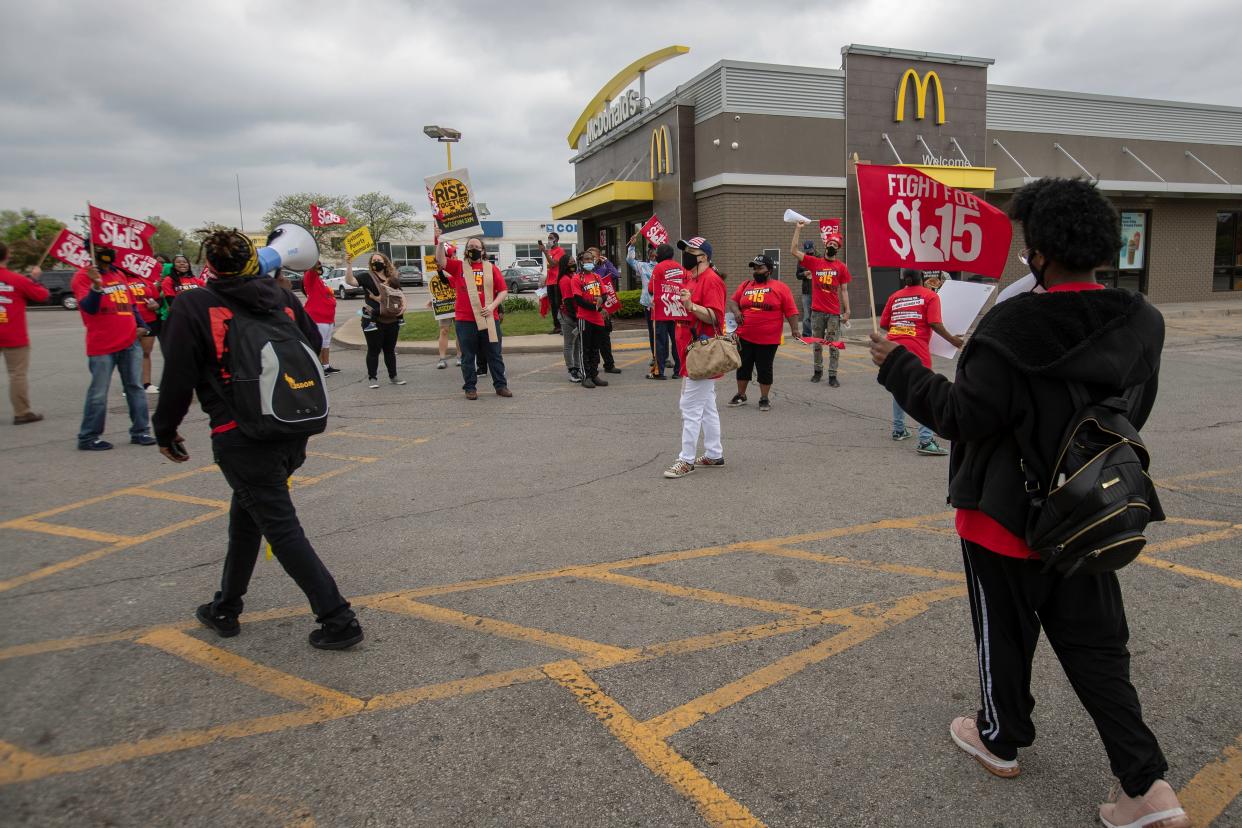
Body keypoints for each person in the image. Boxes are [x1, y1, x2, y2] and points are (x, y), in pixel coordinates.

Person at [869, 178, 1188, 828]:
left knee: (1005, 637)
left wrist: (898, 367)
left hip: (1004, 519)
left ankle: (1000, 736)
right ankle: (1147, 786)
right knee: (1100, 651)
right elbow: (1130, 412)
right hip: (1091, 510)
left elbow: (962, 415)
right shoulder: (1140, 321)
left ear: (1039, 250)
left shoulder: (1012, 327)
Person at [152, 228, 363, 651]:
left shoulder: (195, 304)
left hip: (241, 437)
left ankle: (338, 619)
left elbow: (178, 377)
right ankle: (225, 607)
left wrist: (165, 430)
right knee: (247, 519)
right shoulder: (282, 299)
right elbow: (308, 347)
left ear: (207, 266)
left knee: (280, 528)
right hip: (290, 429)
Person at [71, 246, 155, 450]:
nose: (106, 253)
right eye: (99, 247)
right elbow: (88, 307)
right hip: (102, 345)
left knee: (135, 387)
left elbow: (131, 304)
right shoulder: (83, 276)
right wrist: (96, 286)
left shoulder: (118, 274)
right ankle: (89, 436)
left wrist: (142, 324)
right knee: (99, 392)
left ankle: (141, 431)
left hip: (129, 341)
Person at [879, 268, 963, 456]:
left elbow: (884, 324)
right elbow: (934, 323)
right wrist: (953, 341)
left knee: (899, 386)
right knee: (926, 392)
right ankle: (925, 441)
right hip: (917, 349)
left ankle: (899, 430)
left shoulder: (894, 296)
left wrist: (902, 325)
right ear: (922, 278)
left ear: (904, 279)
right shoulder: (930, 296)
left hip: (894, 348)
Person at [663, 237, 726, 479]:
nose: (687, 254)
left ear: (705, 256)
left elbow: (715, 318)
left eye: (692, 251)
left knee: (689, 407)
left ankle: (686, 459)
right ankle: (713, 452)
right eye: (686, 250)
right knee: (707, 406)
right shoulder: (690, 277)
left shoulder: (712, 280)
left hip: (702, 351)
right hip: (689, 349)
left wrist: (692, 307)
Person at [435, 237, 512, 400]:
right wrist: (440, 241)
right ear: (466, 250)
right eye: (470, 246)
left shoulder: (491, 268)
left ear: (483, 250)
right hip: (465, 320)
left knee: (494, 354)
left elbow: (503, 291)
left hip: (489, 318)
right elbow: (440, 261)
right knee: (468, 356)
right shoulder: (458, 267)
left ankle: (501, 385)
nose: (474, 249)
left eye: (477, 246)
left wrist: (492, 307)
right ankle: (470, 388)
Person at [727, 255, 801, 412]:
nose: (756, 271)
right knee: (743, 366)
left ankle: (764, 397)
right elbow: (733, 301)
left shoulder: (780, 287)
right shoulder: (746, 285)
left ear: (769, 270)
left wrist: (795, 329)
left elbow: (791, 310)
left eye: (760, 268)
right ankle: (741, 395)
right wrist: (736, 311)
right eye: (754, 268)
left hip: (768, 339)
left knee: (764, 368)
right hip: (745, 335)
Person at [791, 222, 851, 386]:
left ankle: (832, 375)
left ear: (837, 248)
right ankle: (817, 371)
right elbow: (794, 251)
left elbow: (844, 290)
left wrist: (847, 311)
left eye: (835, 244)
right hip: (817, 311)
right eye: (830, 243)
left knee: (833, 345)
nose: (831, 246)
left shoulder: (841, 267)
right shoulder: (815, 262)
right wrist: (798, 228)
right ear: (825, 245)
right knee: (817, 343)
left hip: (833, 313)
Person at [0, 242, 49, 424]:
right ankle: (21, 412)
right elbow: (42, 295)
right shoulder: (17, 279)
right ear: (7, 255)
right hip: (13, 333)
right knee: (17, 374)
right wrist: (35, 279)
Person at [346, 251, 406, 389]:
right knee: (374, 350)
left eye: (378, 260)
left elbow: (400, 294)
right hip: (373, 320)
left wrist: (404, 307)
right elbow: (350, 281)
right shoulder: (366, 276)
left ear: (385, 262)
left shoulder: (392, 277)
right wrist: (349, 264)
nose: (376, 262)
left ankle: (393, 376)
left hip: (392, 320)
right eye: (373, 260)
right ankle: (372, 377)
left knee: (390, 350)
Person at [570, 251, 609, 389]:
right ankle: (585, 376)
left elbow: (604, 295)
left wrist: (601, 300)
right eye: (586, 259)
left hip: (598, 320)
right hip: (585, 318)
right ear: (581, 261)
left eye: (591, 259)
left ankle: (594, 374)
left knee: (595, 348)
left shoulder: (597, 277)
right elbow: (579, 301)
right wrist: (597, 308)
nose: (588, 261)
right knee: (584, 349)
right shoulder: (577, 278)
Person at [646, 242, 682, 380]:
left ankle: (658, 372)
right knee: (676, 341)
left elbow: (651, 289)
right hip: (677, 311)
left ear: (660, 255)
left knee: (660, 343)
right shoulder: (680, 267)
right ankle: (678, 371)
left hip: (662, 310)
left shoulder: (658, 268)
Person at [125, 264, 163, 393]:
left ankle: (147, 384)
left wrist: (156, 304)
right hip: (129, 321)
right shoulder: (120, 279)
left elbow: (158, 298)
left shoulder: (145, 280)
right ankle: (130, 385)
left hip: (149, 320)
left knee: (146, 353)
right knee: (130, 354)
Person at [582, 248, 620, 374]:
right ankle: (592, 368)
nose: (590, 260)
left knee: (605, 338)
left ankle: (609, 364)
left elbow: (615, 275)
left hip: (603, 310)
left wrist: (607, 262)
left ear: (598, 258)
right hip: (589, 311)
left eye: (593, 257)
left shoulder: (601, 271)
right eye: (587, 258)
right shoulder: (581, 274)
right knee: (592, 341)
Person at [301, 261, 340, 374]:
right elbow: (312, 269)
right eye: (317, 265)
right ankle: (317, 368)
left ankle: (326, 365)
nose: (320, 267)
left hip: (328, 318)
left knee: (326, 343)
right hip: (318, 317)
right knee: (318, 343)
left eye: (320, 265)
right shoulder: (310, 277)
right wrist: (312, 260)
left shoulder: (320, 280)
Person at [626, 234, 657, 376]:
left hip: (663, 305)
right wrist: (632, 245)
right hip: (648, 304)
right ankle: (655, 356)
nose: (653, 254)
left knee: (665, 332)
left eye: (656, 252)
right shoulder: (643, 266)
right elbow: (630, 260)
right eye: (651, 252)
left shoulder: (665, 267)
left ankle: (666, 357)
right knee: (652, 332)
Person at [425, 253, 460, 370]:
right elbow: (433, 284)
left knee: (460, 331)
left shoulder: (457, 267)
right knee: (444, 330)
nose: (452, 257)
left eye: (453, 255)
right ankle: (442, 358)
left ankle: (460, 356)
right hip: (443, 304)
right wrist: (432, 300)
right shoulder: (435, 267)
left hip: (458, 303)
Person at [555, 255, 582, 382]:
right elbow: (568, 301)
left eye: (574, 262)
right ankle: (572, 370)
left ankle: (577, 367)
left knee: (577, 344)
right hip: (568, 316)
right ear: (565, 264)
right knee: (569, 344)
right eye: (570, 262)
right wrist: (576, 317)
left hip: (576, 314)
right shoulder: (565, 280)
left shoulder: (573, 276)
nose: (573, 264)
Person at [539, 231, 565, 335]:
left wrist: (545, 252)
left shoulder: (560, 250)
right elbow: (550, 268)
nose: (549, 240)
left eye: (551, 238)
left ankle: (563, 326)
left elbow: (553, 264)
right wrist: (545, 280)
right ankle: (556, 327)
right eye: (548, 238)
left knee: (559, 304)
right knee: (553, 305)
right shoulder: (550, 251)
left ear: (556, 240)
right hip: (550, 281)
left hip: (557, 281)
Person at [794, 242, 814, 337]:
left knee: (819, 315)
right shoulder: (801, 259)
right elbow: (798, 275)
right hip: (806, 291)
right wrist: (804, 274)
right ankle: (807, 335)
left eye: (810, 251)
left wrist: (813, 272)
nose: (808, 253)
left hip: (818, 292)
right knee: (806, 315)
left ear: (813, 248)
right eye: (807, 251)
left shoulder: (819, 257)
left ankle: (819, 335)